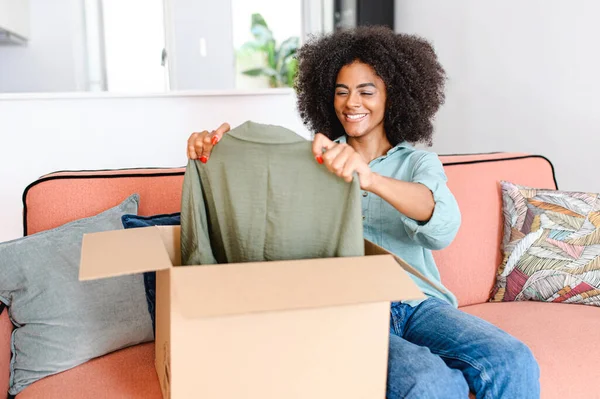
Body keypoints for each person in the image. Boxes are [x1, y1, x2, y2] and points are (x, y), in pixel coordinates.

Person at [186, 26, 540, 399]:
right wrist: (215, 148)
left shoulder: (419, 163)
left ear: (395, 95)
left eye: (366, 91)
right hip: (351, 309)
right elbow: (256, 202)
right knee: (430, 382)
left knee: (514, 359)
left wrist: (369, 178)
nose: (351, 102)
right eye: (341, 91)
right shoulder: (314, 160)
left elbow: (442, 228)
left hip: (419, 304)